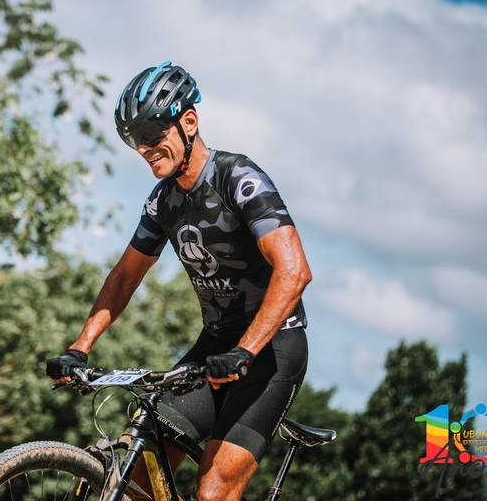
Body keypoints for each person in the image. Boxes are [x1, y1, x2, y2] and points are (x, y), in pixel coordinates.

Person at [46, 61, 312, 501]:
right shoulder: (162, 201)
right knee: (139, 477)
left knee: (213, 490)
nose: (144, 148)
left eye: (152, 134)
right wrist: (80, 347)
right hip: (214, 346)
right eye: (134, 139)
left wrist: (245, 350)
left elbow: (294, 271)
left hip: (270, 350)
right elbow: (125, 277)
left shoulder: (238, 179)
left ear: (188, 122)